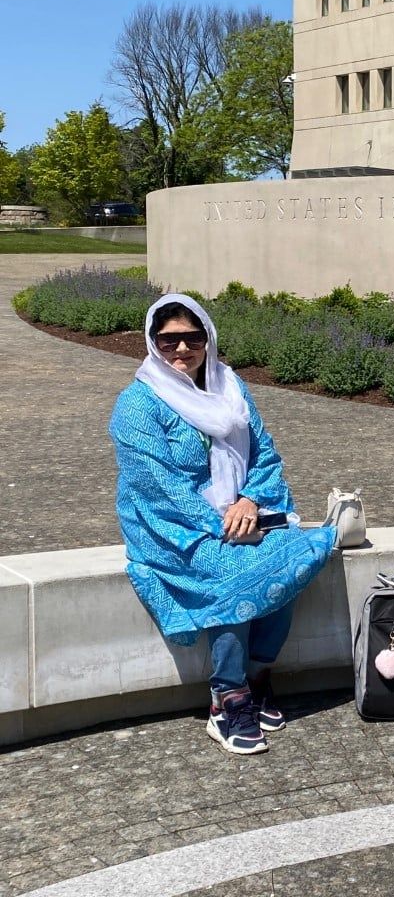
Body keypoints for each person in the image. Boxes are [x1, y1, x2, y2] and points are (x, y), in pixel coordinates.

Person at [110, 295, 335, 755]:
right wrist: (224, 525)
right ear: (153, 343)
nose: (181, 349)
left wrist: (251, 499)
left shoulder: (229, 387)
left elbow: (264, 454)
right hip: (171, 529)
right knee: (237, 572)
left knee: (295, 554)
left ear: (207, 340)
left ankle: (256, 675)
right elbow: (161, 490)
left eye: (192, 338)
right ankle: (226, 698)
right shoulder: (137, 406)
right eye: (168, 339)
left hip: (241, 513)